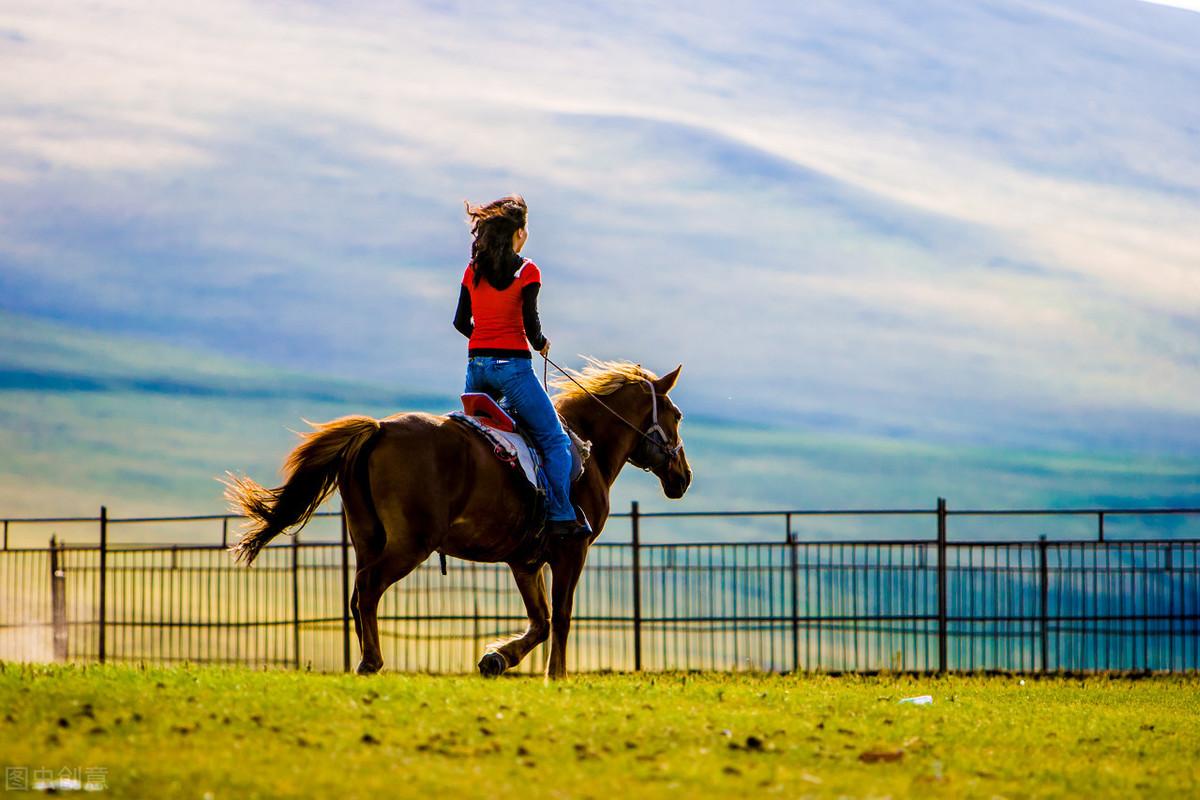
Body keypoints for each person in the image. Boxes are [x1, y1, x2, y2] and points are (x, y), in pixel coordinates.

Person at [452, 195, 590, 539]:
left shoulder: (473, 271)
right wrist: (541, 342)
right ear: (517, 232)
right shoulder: (528, 270)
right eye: (524, 226)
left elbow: (459, 322)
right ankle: (560, 514)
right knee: (555, 441)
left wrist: (482, 337)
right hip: (512, 369)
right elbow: (530, 325)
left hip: (476, 369)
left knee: (474, 436)